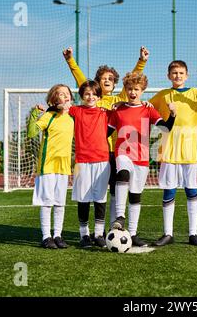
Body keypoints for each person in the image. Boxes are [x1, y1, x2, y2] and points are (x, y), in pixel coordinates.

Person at [62, 46, 150, 238]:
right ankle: (91, 232)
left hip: (116, 153)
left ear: (115, 82)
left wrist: (141, 61)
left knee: (114, 192)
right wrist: (70, 61)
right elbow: (81, 81)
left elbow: (134, 83)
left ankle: (113, 228)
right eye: (104, 78)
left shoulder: (119, 100)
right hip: (94, 154)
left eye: (111, 79)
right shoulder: (91, 99)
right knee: (95, 194)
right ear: (97, 82)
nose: (107, 81)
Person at [148, 60, 197, 247]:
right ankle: (167, 233)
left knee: (191, 191)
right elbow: (146, 109)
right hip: (168, 152)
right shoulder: (163, 95)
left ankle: (193, 234)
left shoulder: (195, 94)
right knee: (169, 191)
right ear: (168, 76)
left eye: (181, 73)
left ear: (186, 75)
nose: (177, 76)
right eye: (174, 73)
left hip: (190, 152)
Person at [107, 72, 176, 247]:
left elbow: (166, 129)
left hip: (142, 157)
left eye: (136, 89)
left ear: (142, 90)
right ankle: (120, 217)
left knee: (136, 195)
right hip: (122, 152)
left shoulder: (148, 109)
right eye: (129, 89)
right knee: (122, 173)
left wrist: (173, 114)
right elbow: (106, 132)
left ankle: (133, 233)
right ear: (125, 90)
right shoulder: (118, 109)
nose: (132, 92)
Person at [27, 84, 74, 249]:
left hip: (64, 166)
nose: (65, 96)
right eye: (60, 94)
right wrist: (34, 114)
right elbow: (32, 133)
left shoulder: (72, 118)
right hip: (47, 165)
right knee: (47, 202)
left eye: (67, 93)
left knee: (60, 202)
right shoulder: (49, 116)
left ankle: (58, 235)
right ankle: (46, 237)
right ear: (54, 99)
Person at [65, 80, 111, 248]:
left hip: (102, 160)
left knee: (100, 198)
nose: (90, 97)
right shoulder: (75, 111)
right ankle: (84, 235)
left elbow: (123, 109)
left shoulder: (105, 112)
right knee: (83, 198)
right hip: (82, 161)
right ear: (82, 96)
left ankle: (98, 234)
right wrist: (47, 107)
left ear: (99, 96)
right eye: (87, 94)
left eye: (94, 94)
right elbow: (60, 106)